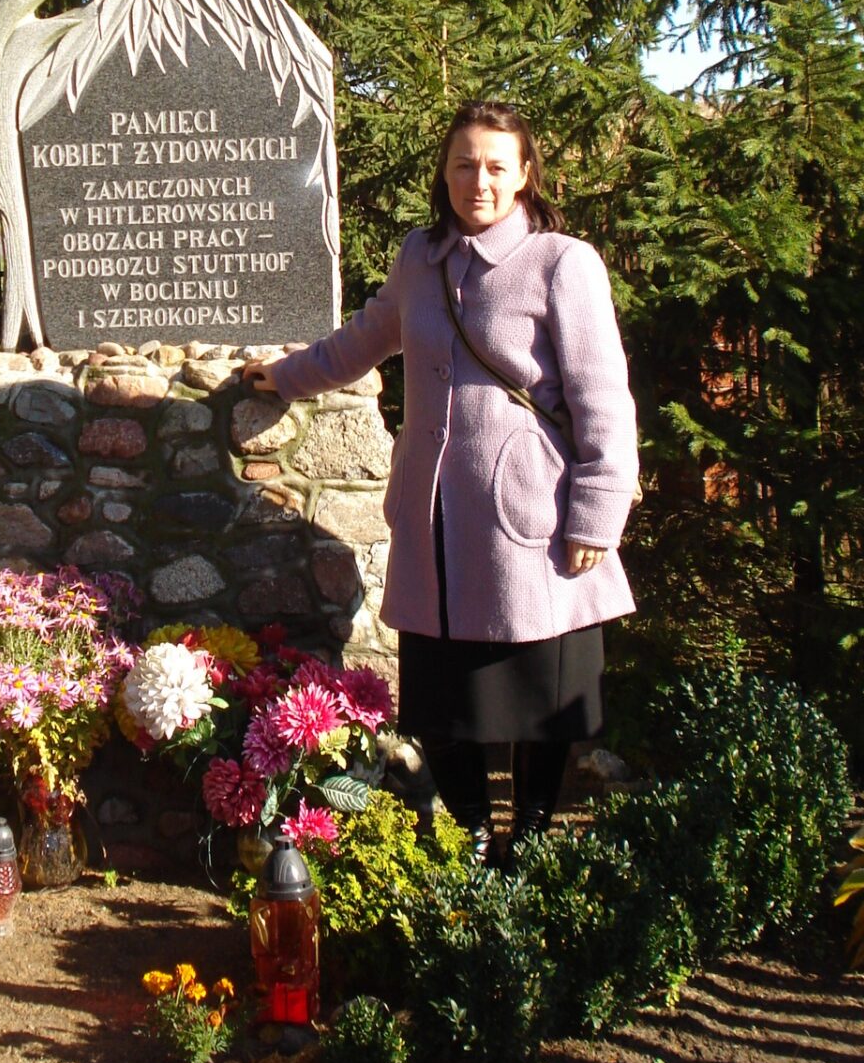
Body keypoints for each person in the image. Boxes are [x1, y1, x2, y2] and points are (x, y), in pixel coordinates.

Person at [243, 99, 637, 863]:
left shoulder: (563, 263)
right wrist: (286, 376)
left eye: (495, 166)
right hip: (436, 530)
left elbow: (603, 397)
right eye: (464, 164)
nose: (477, 181)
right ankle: (472, 844)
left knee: (538, 700)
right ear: (445, 172)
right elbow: (367, 337)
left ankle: (526, 845)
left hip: (532, 525)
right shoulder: (419, 259)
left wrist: (597, 512)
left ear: (524, 175)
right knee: (443, 703)